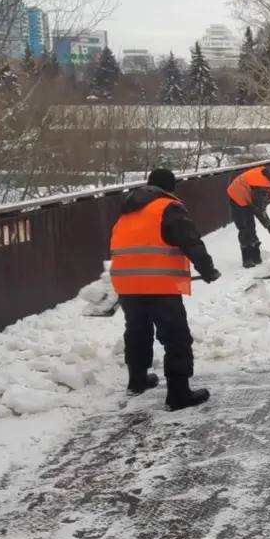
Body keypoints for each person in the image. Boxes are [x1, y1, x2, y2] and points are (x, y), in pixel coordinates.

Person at [109, 168, 221, 411]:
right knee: (175, 337)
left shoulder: (127, 211)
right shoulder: (167, 207)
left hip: (126, 283)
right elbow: (190, 240)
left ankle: (137, 380)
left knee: (137, 331)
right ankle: (179, 394)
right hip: (158, 284)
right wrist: (208, 269)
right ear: (170, 188)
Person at [227, 165, 270, 267]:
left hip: (249, 194)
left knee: (251, 226)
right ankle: (247, 259)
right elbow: (258, 209)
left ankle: (256, 257)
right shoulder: (265, 188)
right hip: (237, 194)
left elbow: (260, 207)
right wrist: (269, 226)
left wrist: (269, 225)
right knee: (244, 227)